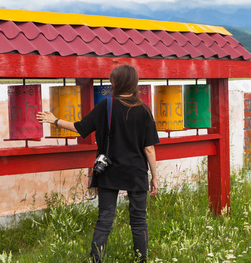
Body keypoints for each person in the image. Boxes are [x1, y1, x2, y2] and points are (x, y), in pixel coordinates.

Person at [37, 64, 159, 262]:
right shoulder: (143, 109)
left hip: (109, 171)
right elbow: (149, 148)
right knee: (138, 221)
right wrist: (154, 176)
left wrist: (55, 120)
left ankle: (96, 260)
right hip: (136, 172)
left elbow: (80, 128)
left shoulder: (106, 105)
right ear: (134, 83)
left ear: (116, 83)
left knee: (104, 221)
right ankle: (141, 259)